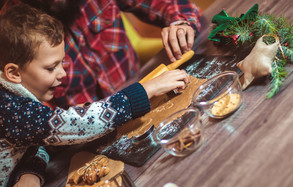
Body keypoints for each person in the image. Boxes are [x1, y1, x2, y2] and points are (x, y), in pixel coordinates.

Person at [0, 4, 190, 187]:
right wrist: (146, 90)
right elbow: (78, 125)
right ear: (14, 73)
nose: (62, 74)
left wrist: (30, 171)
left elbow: (39, 141)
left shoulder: (19, 106)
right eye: (51, 67)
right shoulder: (9, 109)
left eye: (62, 63)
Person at [2, 0, 202, 108]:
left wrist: (180, 24)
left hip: (152, 93)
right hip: (87, 130)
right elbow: (31, 117)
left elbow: (167, 4)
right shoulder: (12, 30)